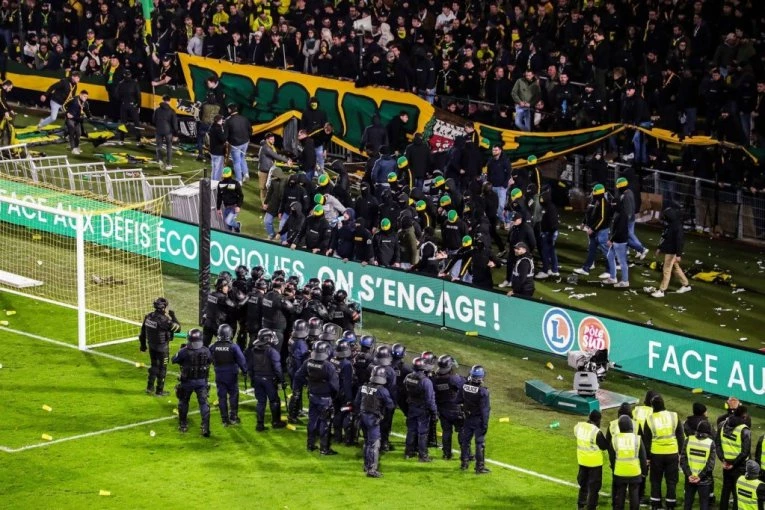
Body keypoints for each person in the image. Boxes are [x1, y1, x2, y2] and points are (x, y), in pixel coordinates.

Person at [293, 340, 339, 455]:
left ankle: (310, 444)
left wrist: (305, 385)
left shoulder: (308, 362)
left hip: (312, 396)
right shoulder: (329, 366)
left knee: (312, 421)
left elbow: (298, 376)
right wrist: (333, 397)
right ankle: (324, 449)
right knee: (325, 423)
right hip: (325, 399)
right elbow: (335, 386)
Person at [643, 395, 684, 510]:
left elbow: (647, 440)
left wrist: (648, 457)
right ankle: (670, 505)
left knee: (655, 480)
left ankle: (655, 504)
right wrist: (681, 453)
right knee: (671, 480)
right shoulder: (674, 416)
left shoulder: (650, 419)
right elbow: (680, 436)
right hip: (672, 453)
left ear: (652, 406)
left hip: (656, 454)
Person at [355, 365, 396, 478]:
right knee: (374, 444)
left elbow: (357, 402)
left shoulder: (363, 387)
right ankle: (372, 470)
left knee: (367, 442)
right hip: (373, 420)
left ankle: (366, 465)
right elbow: (390, 406)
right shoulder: (382, 390)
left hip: (362, 418)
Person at [172, 328, 212, 437]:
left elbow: (173, 360)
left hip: (187, 382)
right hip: (202, 382)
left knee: (183, 402)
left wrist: (182, 350)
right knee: (204, 403)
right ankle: (205, 427)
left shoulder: (184, 351)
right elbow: (210, 361)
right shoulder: (206, 350)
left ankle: (183, 425)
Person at [138, 297, 181, 396]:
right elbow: (178, 329)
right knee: (162, 368)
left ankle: (149, 387)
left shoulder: (148, 317)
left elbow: (142, 333)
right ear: (163, 308)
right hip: (162, 348)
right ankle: (159, 391)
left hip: (152, 346)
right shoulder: (165, 321)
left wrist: (143, 346)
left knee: (154, 366)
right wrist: (173, 316)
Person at [246, 328, 286, 431]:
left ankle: (260, 424)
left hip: (257, 379)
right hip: (269, 381)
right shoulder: (272, 352)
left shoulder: (253, 350)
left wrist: (252, 379)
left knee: (261, 402)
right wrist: (282, 380)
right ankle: (276, 422)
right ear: (267, 339)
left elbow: (249, 367)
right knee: (274, 401)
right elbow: (277, 369)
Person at [650, 204, 692, 298]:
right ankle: (686, 285)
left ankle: (662, 290)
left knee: (666, 270)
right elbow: (665, 237)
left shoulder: (676, 226)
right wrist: (659, 248)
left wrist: (678, 254)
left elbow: (679, 241)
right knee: (676, 268)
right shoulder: (671, 224)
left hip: (672, 252)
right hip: (670, 250)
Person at [209, 324, 247, 426]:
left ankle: (224, 420)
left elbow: (208, 359)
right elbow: (242, 360)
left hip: (219, 375)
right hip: (231, 376)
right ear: (230, 334)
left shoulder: (213, 346)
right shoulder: (233, 346)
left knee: (221, 397)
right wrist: (245, 371)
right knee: (233, 395)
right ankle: (233, 417)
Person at [574, 184, 614, 279]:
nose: (592, 193)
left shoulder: (603, 202)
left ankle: (609, 271)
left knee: (606, 251)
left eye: (594, 192)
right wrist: (584, 222)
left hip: (602, 231)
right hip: (594, 229)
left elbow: (602, 218)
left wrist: (593, 229)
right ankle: (586, 269)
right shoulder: (594, 200)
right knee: (592, 250)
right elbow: (588, 213)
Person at [716, 405, 752, 510]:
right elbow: (745, 452)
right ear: (744, 415)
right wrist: (733, 464)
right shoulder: (744, 430)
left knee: (725, 490)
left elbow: (717, 443)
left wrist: (723, 460)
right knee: (737, 492)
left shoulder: (722, 425)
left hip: (726, 464)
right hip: (739, 466)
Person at [610, 415, 649, 510]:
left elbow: (612, 458)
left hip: (620, 472)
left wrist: (615, 469)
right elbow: (643, 458)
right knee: (634, 496)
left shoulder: (614, 439)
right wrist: (644, 472)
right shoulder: (637, 439)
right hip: (634, 472)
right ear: (631, 425)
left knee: (620, 496)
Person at [457, 364, 490, 474]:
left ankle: (464, 463)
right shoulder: (483, 392)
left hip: (468, 418)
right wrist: (485, 425)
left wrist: (465, 407)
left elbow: (457, 401)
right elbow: (485, 411)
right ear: (480, 377)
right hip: (478, 421)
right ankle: (479, 467)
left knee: (466, 442)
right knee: (479, 443)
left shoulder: (464, 386)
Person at [404, 356, 438, 462]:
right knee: (422, 432)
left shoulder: (408, 377)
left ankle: (409, 452)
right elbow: (429, 399)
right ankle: (423, 456)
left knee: (411, 430)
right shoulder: (426, 381)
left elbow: (406, 390)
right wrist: (434, 412)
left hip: (412, 407)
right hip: (423, 409)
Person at [574, 410, 608, 510]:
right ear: (598, 420)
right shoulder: (596, 432)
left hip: (582, 461)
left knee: (583, 484)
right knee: (594, 488)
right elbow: (604, 446)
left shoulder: (579, 426)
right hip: (594, 463)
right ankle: (591, 507)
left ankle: (581, 504)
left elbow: (577, 435)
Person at [433, 354, 465, 460]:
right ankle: (466, 454)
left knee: (446, 432)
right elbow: (463, 386)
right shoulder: (453, 378)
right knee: (461, 431)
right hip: (456, 410)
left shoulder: (435, 378)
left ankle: (446, 454)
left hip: (443, 410)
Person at [679, 420, 716, 510]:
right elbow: (710, 464)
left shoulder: (688, 439)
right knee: (703, 504)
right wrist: (700, 476)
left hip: (690, 479)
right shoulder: (710, 443)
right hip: (704, 480)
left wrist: (689, 475)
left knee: (687, 504)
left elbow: (683, 459)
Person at [608, 177, 631, 288]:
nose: (612, 207)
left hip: (620, 241)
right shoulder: (617, 212)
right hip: (615, 240)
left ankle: (625, 281)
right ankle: (613, 278)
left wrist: (611, 239)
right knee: (609, 256)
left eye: (614, 205)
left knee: (622, 262)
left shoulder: (622, 214)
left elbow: (620, 230)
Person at [258, 132, 291, 205]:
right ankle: (264, 205)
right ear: (267, 140)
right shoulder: (266, 147)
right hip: (263, 171)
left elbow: (275, 155)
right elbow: (274, 155)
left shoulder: (270, 146)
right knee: (263, 188)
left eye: (273, 139)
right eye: (271, 139)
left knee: (269, 188)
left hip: (269, 170)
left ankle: (267, 203)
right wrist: (286, 160)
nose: (273, 141)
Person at [224, 103, 252, 182]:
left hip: (235, 144)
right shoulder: (244, 118)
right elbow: (250, 130)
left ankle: (239, 180)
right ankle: (246, 174)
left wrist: (226, 141)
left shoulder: (228, 120)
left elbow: (225, 134)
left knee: (236, 162)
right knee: (242, 158)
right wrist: (248, 138)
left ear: (230, 110)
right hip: (245, 142)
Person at [202, 277, 231, 347]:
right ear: (221, 287)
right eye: (226, 286)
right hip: (217, 326)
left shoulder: (211, 294)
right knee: (224, 347)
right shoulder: (223, 298)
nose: (227, 288)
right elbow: (235, 306)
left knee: (204, 345)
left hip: (207, 323)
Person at [153, 95, 178, 169]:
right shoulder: (172, 111)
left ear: (162, 100)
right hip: (168, 131)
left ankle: (160, 160)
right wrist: (176, 134)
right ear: (169, 101)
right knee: (169, 147)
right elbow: (175, 124)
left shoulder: (157, 110)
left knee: (158, 146)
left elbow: (153, 120)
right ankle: (169, 164)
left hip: (158, 130)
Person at [116, 70, 141, 144]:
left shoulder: (121, 83)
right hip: (132, 105)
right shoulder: (135, 83)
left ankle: (121, 139)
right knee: (136, 122)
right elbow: (138, 96)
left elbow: (117, 95)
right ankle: (138, 139)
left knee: (123, 123)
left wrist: (122, 101)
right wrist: (138, 105)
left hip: (124, 105)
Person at [216, 167, 243, 233]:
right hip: (226, 207)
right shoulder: (220, 184)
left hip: (234, 207)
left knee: (228, 221)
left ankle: (237, 226)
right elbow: (219, 196)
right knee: (228, 226)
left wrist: (238, 206)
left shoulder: (235, 183)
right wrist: (218, 208)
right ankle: (236, 230)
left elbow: (241, 195)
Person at [65, 89, 90, 155]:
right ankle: (73, 149)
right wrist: (67, 113)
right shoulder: (73, 99)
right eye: (84, 96)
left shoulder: (85, 103)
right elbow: (64, 105)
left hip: (77, 120)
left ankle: (75, 147)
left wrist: (90, 117)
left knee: (78, 134)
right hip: (70, 119)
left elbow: (87, 112)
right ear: (80, 95)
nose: (85, 98)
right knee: (72, 133)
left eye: (86, 97)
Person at [208, 115, 227, 180]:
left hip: (212, 151)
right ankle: (216, 183)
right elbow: (223, 139)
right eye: (221, 120)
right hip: (218, 152)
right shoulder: (218, 129)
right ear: (219, 121)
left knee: (214, 168)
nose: (222, 121)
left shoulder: (211, 127)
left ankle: (212, 180)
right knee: (218, 169)